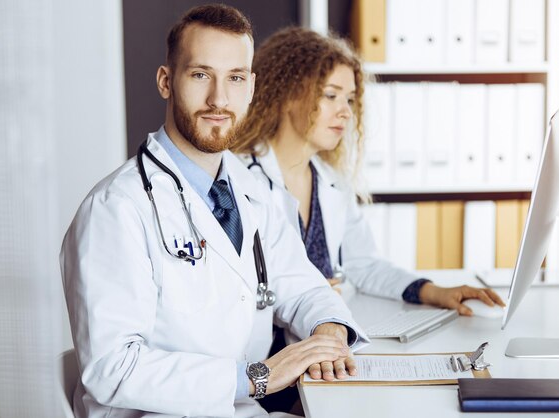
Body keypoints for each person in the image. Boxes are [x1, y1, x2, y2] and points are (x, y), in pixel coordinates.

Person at [60, 6, 369, 418]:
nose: (219, 99)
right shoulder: (116, 209)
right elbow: (113, 369)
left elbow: (304, 285)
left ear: (252, 86)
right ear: (166, 82)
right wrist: (256, 376)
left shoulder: (254, 191)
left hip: (240, 408)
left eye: (235, 78)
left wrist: (328, 333)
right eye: (201, 74)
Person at [233, 27, 505, 319]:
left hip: (329, 337)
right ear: (287, 95)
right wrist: (301, 296)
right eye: (330, 95)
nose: (346, 112)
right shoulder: (240, 179)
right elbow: (233, 287)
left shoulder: (331, 181)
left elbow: (363, 264)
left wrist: (435, 292)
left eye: (349, 99)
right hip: (272, 352)